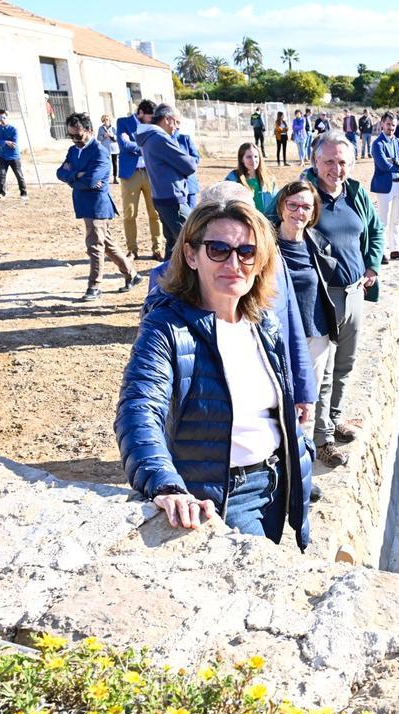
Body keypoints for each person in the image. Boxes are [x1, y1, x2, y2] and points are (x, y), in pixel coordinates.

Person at [115, 198, 311, 548]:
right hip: (223, 498)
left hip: (275, 485)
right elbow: (139, 409)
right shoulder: (167, 328)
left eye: (247, 251)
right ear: (191, 255)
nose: (234, 262)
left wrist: (302, 453)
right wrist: (165, 483)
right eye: (218, 249)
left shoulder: (263, 322)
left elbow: (276, 407)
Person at [304, 131, 383, 467]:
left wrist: (372, 266)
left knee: (345, 363)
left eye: (343, 162)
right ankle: (321, 439)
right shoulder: (303, 195)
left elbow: (375, 230)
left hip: (354, 294)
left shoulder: (355, 193)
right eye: (329, 161)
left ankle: (335, 420)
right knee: (321, 369)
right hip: (320, 297)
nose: (336, 168)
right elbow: (279, 230)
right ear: (315, 162)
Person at [57, 113, 141, 302]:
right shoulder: (73, 150)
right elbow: (60, 172)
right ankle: (132, 275)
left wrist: (74, 176)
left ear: (90, 131)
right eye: (71, 136)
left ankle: (94, 286)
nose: (75, 140)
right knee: (107, 244)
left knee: (95, 246)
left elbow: (92, 180)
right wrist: (78, 177)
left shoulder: (100, 152)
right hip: (84, 202)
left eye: (78, 136)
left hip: (97, 205)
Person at [271, 181, 340, 407]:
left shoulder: (317, 243)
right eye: (293, 205)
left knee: (307, 403)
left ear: (313, 213)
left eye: (306, 207)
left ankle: (306, 442)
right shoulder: (265, 244)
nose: (299, 212)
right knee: (279, 403)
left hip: (315, 335)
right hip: (279, 335)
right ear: (281, 206)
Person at [135, 103, 198, 260]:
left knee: (173, 243)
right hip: (173, 198)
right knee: (192, 239)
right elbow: (190, 165)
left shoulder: (147, 137)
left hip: (161, 197)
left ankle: (167, 280)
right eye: (176, 122)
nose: (177, 127)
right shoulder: (160, 138)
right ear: (167, 119)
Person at [116, 100, 163, 260]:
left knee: (155, 213)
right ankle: (132, 249)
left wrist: (138, 146)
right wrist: (146, 148)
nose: (151, 120)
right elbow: (124, 145)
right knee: (130, 213)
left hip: (151, 173)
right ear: (141, 112)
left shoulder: (154, 124)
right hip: (131, 174)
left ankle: (157, 249)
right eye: (149, 116)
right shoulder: (123, 122)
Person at [371, 113, 399, 262]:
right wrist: (398, 163)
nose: (391, 128)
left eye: (393, 125)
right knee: (383, 221)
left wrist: (396, 160)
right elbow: (383, 165)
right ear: (382, 124)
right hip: (384, 186)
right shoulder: (377, 144)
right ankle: (380, 253)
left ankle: (395, 250)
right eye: (388, 124)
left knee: (397, 219)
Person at [225, 142, 275, 214]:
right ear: (241, 159)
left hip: (265, 221)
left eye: (256, 156)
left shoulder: (268, 178)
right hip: (242, 221)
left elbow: (276, 202)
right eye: (248, 157)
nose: (253, 160)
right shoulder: (233, 178)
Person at [0, 109, 27, 201]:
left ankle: (23, 193)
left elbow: (14, 144)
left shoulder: (13, 129)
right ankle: (1, 192)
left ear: (6, 117)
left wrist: (1, 142)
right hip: (2, 156)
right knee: (2, 174)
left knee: (19, 174)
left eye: (3, 117)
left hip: (13, 156)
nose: (2, 119)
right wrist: (6, 142)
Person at [174, 118, 201, 208]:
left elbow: (196, 158)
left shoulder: (185, 139)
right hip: (173, 187)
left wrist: (184, 165)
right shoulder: (162, 141)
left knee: (192, 214)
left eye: (177, 122)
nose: (175, 125)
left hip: (189, 183)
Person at [97, 115, 120, 183]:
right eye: (104, 120)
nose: (105, 121)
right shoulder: (100, 128)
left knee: (115, 163)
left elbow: (118, 138)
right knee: (105, 163)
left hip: (114, 148)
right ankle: (105, 178)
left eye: (107, 119)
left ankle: (115, 178)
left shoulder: (113, 128)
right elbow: (98, 138)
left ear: (109, 120)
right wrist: (104, 136)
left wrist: (112, 135)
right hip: (105, 148)